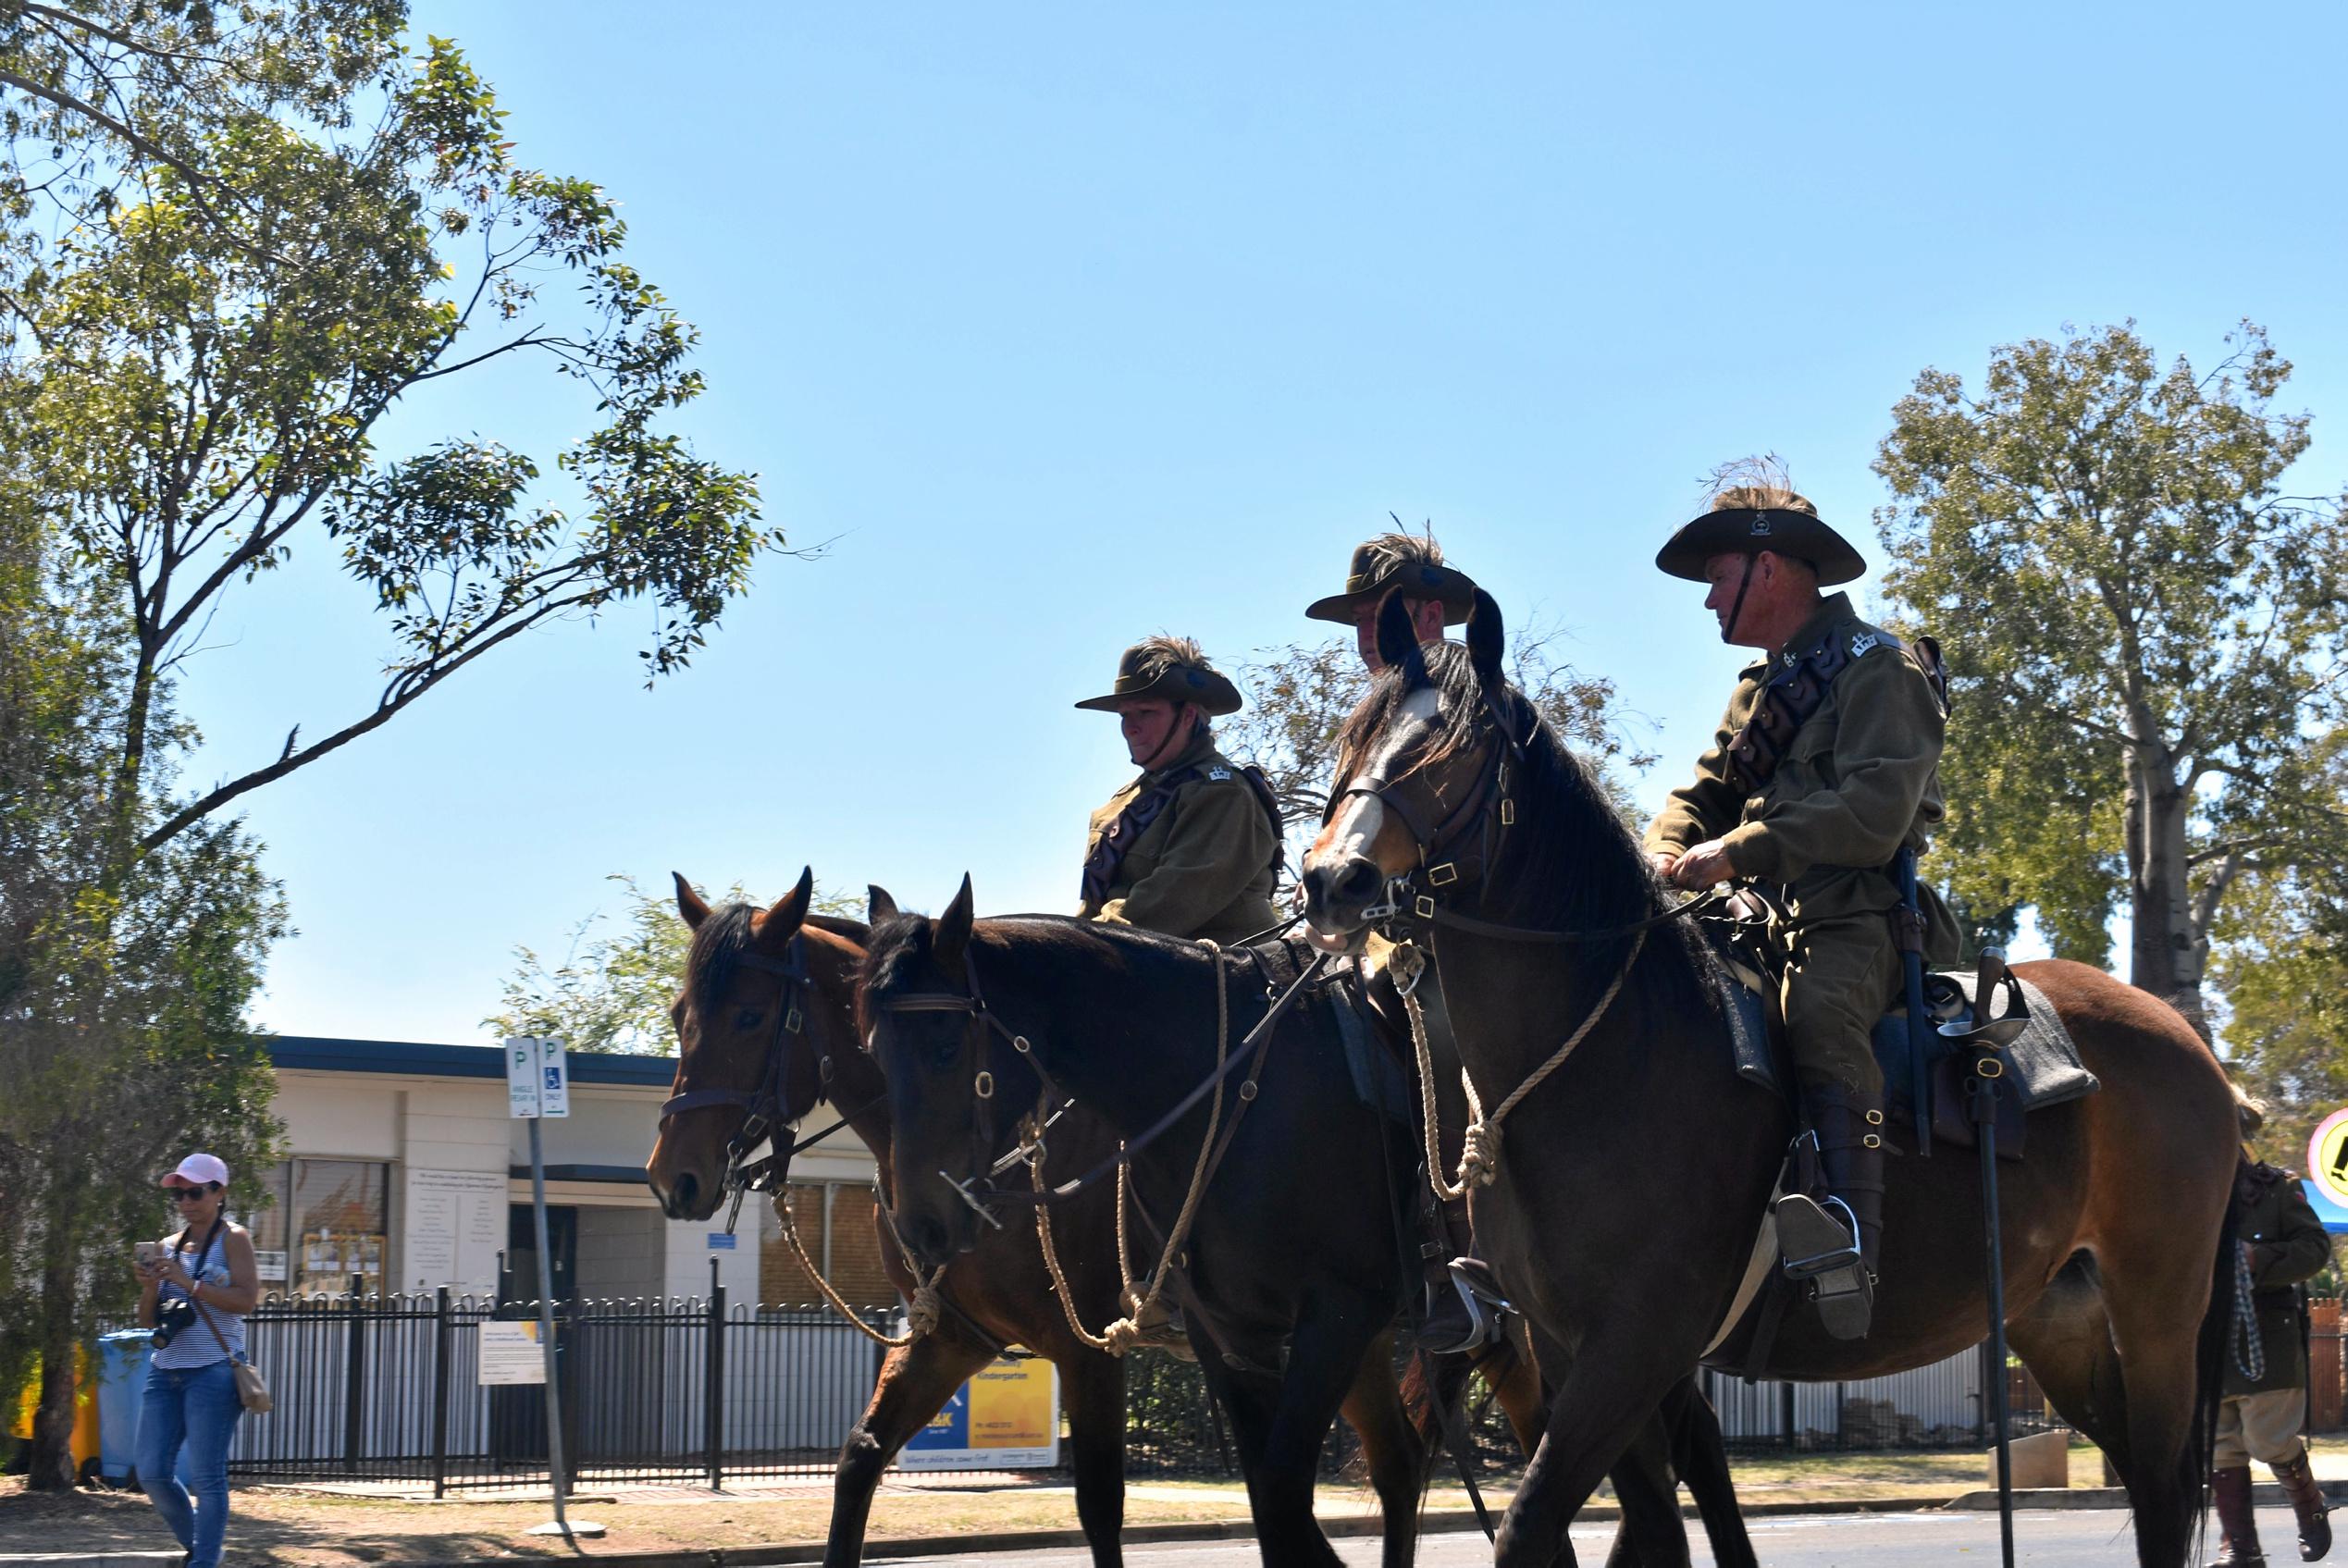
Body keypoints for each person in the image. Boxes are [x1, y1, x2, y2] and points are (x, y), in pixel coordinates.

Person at [1643, 465, 1959, 1341]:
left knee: (1816, 1013)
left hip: (1855, 916)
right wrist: (1666, 846)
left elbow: (1871, 814)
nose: (1710, 602)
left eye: (1717, 582)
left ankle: (1848, 1239)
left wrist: (1736, 852)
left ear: (1769, 569)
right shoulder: (1758, 690)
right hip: (1754, 915)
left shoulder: (1882, 668)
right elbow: (1704, 787)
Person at [1305, 527, 1502, 1353]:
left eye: (1377, 615)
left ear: (1429, 612)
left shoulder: (1470, 700)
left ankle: (1464, 1259)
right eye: (1357, 620)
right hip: (1375, 943)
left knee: (1444, 1031)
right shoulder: (1375, 718)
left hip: (1473, 948)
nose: (1365, 636)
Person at [1075, 636, 1281, 945]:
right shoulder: (1119, 805)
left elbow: (1164, 904)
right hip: (1125, 963)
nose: (1131, 727)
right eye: (1125, 715)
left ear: (1187, 717)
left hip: (1229, 981)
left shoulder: (1223, 793)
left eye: (1145, 712)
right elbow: (1091, 911)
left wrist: (1071, 946)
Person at [2214, 1095, 2333, 1566]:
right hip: (2207, 1341)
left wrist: (2257, 1259)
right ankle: (2240, 1548)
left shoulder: (2278, 1188)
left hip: (2267, 1338)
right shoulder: (2177, 1194)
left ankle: (2311, 1508)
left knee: (2268, 1440)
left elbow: (2315, 1248)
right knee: (2220, 1446)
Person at [134, 1152, 261, 1568]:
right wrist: (152, 1286)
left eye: (195, 1191)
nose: (186, 1201)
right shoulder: (169, 1245)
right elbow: (147, 1318)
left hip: (213, 1373)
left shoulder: (234, 1239)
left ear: (219, 1192)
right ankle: (203, 1547)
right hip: (166, 1370)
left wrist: (190, 1282)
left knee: (207, 1477)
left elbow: (246, 1300)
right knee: (151, 1472)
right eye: (179, 1194)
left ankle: (204, 1561)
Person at [1303, 529, 1478, 673]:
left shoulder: (1481, 706)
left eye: (1383, 617)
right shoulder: (1374, 714)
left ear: (1431, 616)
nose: (1366, 634)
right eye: (1358, 620)